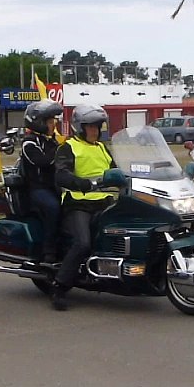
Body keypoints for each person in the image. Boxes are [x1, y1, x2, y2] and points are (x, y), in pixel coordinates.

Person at [51, 104, 116, 311]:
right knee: (83, 243)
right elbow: (61, 174)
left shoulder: (102, 148)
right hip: (78, 203)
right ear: (80, 127)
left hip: (104, 201)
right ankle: (59, 286)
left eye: (97, 127)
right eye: (90, 127)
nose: (95, 131)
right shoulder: (68, 147)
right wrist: (82, 184)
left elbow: (116, 169)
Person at [18, 99, 63, 262]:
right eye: (50, 122)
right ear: (39, 123)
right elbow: (42, 161)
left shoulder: (51, 141)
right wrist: (60, 154)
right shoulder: (29, 143)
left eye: (53, 121)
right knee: (53, 208)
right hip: (38, 189)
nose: (53, 125)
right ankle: (48, 250)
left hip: (56, 186)